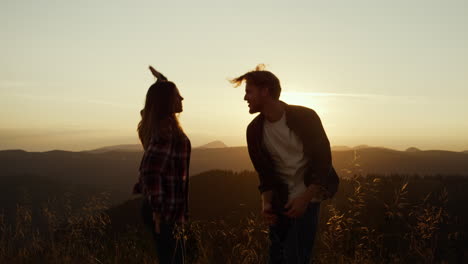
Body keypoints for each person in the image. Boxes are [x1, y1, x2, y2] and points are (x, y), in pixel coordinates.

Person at [231, 64, 339, 264]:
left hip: (308, 199)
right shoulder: (254, 130)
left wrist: (305, 199)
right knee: (277, 257)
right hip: (280, 201)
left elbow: (323, 160)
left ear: (265, 92)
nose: (245, 98)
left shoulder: (306, 117)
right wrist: (266, 204)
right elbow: (264, 174)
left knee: (298, 257)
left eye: (249, 92)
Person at [133, 66, 191, 264]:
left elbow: (149, 107)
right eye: (177, 95)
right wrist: (159, 211)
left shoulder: (155, 124)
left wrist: (162, 80)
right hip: (164, 211)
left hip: (165, 209)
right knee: (174, 259)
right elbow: (150, 171)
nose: (182, 99)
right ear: (167, 101)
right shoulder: (166, 131)